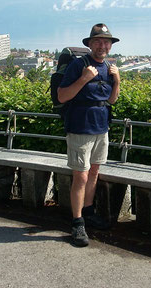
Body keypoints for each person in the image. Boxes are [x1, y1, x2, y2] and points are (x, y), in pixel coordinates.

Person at [57, 23, 121, 247]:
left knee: (94, 172)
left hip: (101, 128)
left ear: (110, 46)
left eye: (106, 42)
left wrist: (118, 80)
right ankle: (77, 223)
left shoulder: (110, 68)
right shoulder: (78, 65)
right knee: (81, 176)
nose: (102, 45)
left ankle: (89, 211)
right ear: (90, 44)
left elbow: (112, 100)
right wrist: (84, 78)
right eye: (98, 41)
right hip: (80, 129)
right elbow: (62, 96)